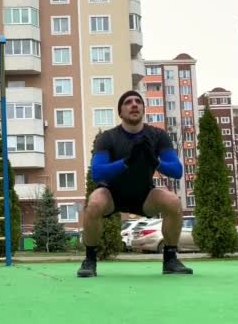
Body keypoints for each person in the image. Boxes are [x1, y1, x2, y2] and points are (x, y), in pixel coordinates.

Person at [77, 90, 193, 277]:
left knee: (172, 201)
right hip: (112, 194)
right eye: (128, 102)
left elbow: (177, 171)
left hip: (144, 195)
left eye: (138, 101)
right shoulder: (107, 137)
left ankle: (170, 259)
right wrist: (126, 162)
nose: (134, 104)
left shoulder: (157, 135)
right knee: (94, 202)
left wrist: (155, 162)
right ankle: (90, 260)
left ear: (143, 109)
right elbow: (97, 173)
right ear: (120, 112)